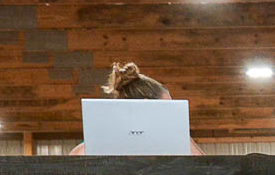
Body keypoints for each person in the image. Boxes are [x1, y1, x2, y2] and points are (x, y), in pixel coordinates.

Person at [69, 61, 204, 155]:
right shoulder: (100, 141)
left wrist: (180, 135)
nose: (171, 116)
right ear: (146, 106)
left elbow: (206, 170)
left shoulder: (168, 144)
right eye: (167, 108)